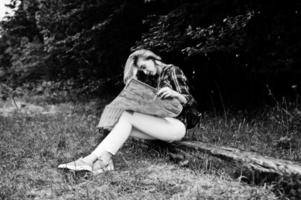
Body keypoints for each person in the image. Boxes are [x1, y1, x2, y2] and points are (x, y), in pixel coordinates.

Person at [58, 49, 195, 175]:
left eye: (144, 67)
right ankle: (101, 161)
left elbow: (191, 101)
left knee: (126, 116)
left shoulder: (172, 70)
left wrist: (175, 94)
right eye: (141, 70)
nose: (145, 72)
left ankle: (92, 160)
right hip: (161, 124)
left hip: (177, 126)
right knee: (121, 122)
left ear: (153, 59)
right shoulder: (154, 79)